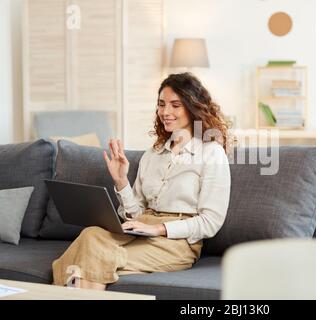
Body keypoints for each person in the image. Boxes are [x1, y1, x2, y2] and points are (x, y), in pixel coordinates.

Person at [52, 73, 232, 290]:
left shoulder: (211, 153)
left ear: (193, 108)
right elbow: (136, 215)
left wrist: (159, 229)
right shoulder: (153, 154)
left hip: (177, 242)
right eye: (161, 104)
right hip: (141, 230)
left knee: (96, 255)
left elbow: (211, 221)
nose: (165, 112)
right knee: (91, 234)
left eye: (175, 105)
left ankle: (61, 289)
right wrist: (120, 182)